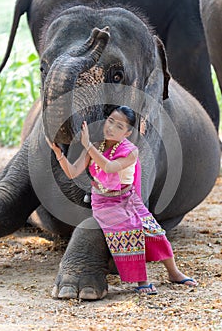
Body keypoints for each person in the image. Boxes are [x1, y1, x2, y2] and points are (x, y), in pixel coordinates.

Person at [49, 106, 198, 295]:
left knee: (155, 231)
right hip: (104, 203)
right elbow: (72, 172)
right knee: (130, 229)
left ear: (127, 133)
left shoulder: (131, 152)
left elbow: (110, 167)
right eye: (110, 121)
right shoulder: (95, 146)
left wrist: (88, 146)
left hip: (129, 199)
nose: (111, 128)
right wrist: (59, 154)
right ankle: (141, 281)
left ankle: (174, 273)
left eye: (119, 126)